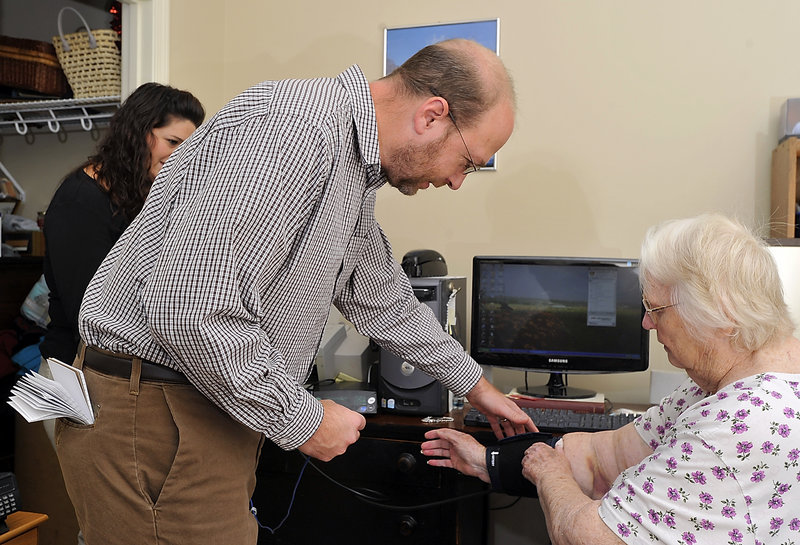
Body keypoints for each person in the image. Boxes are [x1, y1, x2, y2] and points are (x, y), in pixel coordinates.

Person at [57, 39, 535, 544]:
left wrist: (476, 387)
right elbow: (189, 313)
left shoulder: (350, 162)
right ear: (433, 116)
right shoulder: (291, 133)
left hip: (204, 402)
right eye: (468, 161)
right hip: (159, 415)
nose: (458, 181)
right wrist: (306, 421)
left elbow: (379, 293)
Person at [422, 213, 800, 545]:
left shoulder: (735, 428)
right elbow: (606, 458)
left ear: (716, 312)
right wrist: (486, 460)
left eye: (656, 309)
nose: (646, 322)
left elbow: (589, 538)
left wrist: (549, 473)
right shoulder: (720, 383)